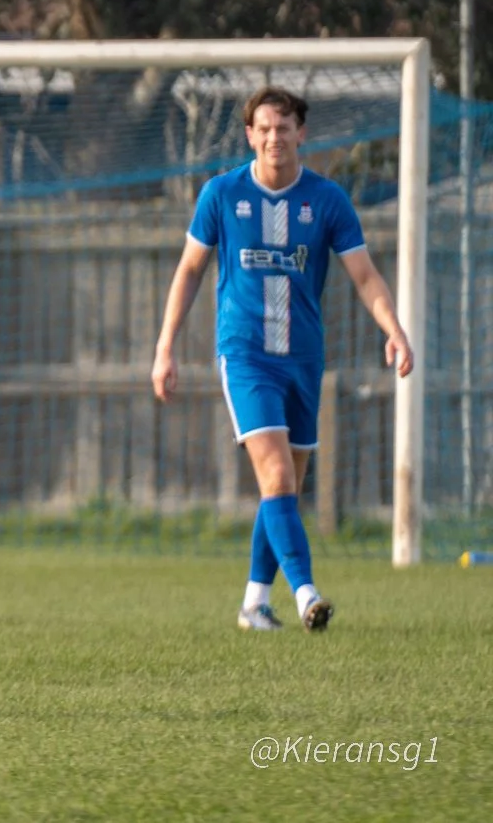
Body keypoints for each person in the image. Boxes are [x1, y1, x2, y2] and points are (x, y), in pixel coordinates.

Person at [153, 86, 412, 634]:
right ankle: (305, 594)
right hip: (246, 355)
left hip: (303, 358)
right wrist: (165, 346)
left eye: (284, 128)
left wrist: (393, 330)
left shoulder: (327, 200)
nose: (275, 138)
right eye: (265, 129)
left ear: (301, 133)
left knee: (285, 486)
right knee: (275, 475)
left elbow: (364, 275)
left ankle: (254, 604)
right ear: (250, 135)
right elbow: (190, 270)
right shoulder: (222, 194)